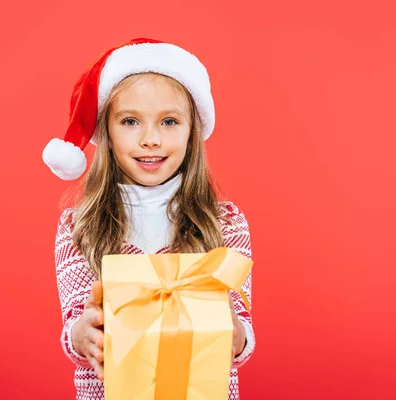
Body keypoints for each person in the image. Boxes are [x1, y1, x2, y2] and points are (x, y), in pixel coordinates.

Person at [42, 38, 255, 399]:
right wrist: (83, 335)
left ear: (193, 131)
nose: (151, 139)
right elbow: (76, 325)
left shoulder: (225, 223)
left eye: (169, 121)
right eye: (130, 121)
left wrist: (235, 334)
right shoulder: (78, 227)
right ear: (106, 131)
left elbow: (241, 329)